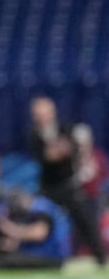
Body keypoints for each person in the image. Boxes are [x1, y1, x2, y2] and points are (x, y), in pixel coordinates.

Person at [27, 97, 106, 266]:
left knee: (84, 219)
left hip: (66, 185)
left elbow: (72, 149)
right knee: (39, 215)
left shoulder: (66, 128)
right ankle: (39, 256)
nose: (41, 117)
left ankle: (100, 257)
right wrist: (58, 151)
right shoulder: (34, 134)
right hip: (47, 186)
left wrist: (62, 150)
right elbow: (46, 156)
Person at [0, 154, 69, 270]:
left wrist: (10, 230)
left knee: (5, 261)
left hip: (48, 257)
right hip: (5, 248)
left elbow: (39, 233)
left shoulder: (40, 206)